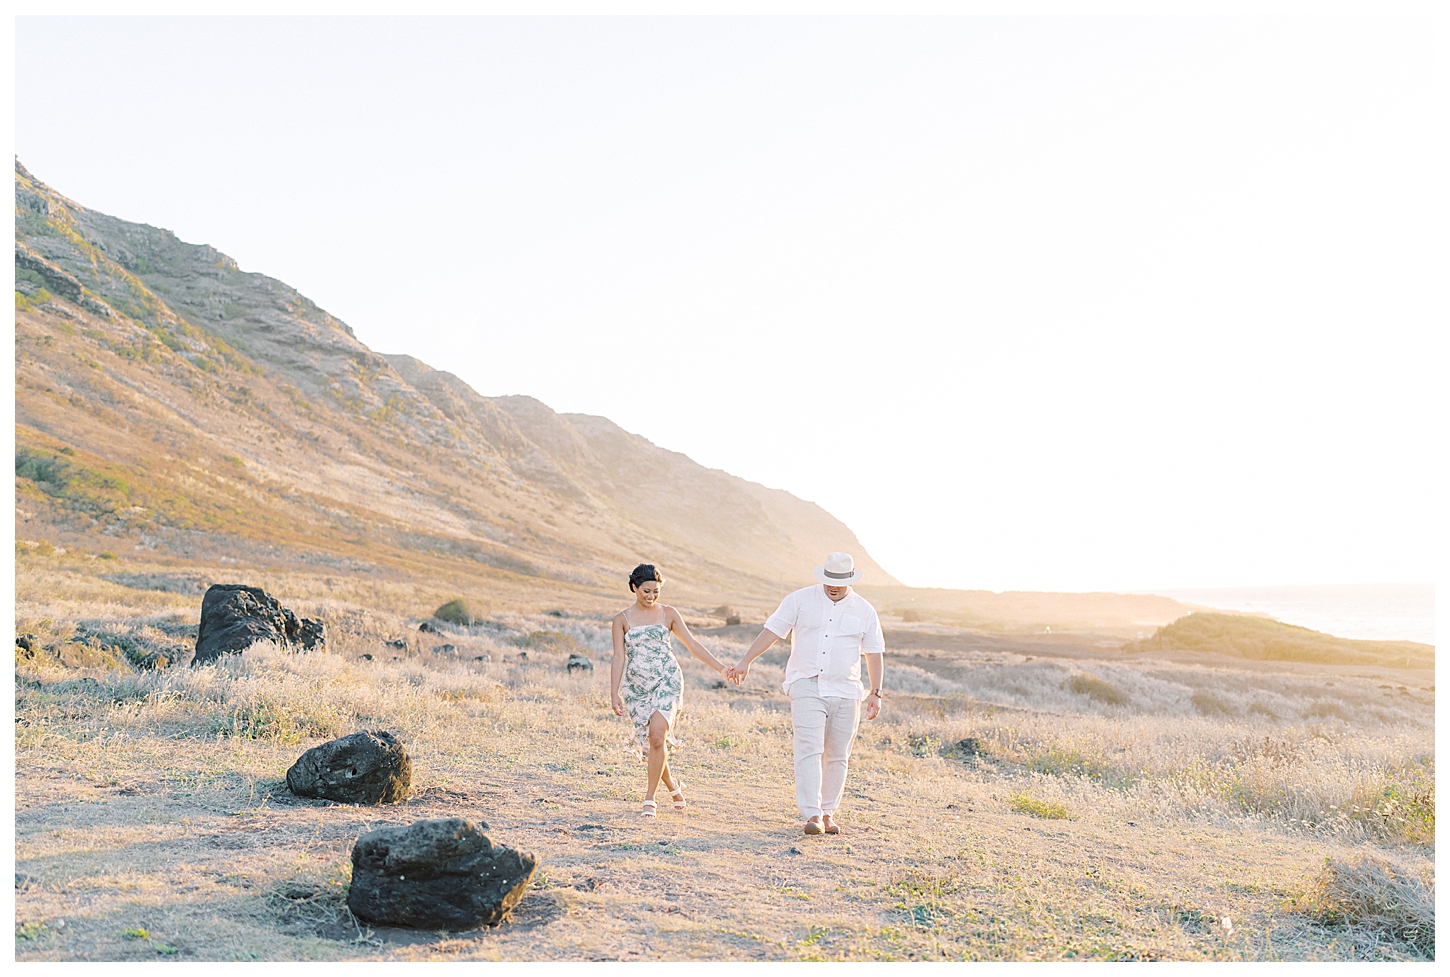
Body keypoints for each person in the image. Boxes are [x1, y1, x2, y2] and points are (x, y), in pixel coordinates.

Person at [726, 552, 885, 836]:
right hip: (806, 683)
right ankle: (812, 814)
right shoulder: (799, 599)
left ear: (850, 579)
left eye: (838, 581)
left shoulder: (864, 610)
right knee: (809, 748)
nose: (832, 586)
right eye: (828, 580)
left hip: (847, 690)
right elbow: (772, 631)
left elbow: (874, 652)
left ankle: (828, 813)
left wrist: (876, 692)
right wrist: (745, 661)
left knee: (838, 754)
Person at [611, 563, 732, 818]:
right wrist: (614, 692)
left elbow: (693, 644)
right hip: (637, 688)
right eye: (646, 591)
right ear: (634, 587)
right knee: (654, 744)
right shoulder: (621, 620)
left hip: (667, 680)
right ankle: (673, 786)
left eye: (656, 591)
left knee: (657, 735)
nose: (651, 596)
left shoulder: (669, 614)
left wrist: (721, 668)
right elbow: (618, 657)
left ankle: (649, 800)